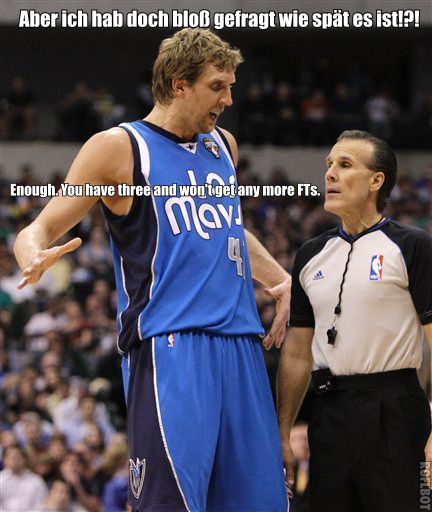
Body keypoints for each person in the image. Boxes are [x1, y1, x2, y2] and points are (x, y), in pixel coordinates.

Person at [14, 28, 291, 511]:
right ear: (179, 85)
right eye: (217, 87)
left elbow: (227, 230)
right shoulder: (119, 147)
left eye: (230, 86)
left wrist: (280, 279)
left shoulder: (223, 145)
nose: (228, 99)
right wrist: (32, 254)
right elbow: (40, 227)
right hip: (172, 349)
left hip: (241, 345)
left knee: (260, 503)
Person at [278, 129, 432, 512]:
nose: (330, 173)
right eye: (329, 164)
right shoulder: (309, 255)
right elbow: (296, 353)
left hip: (395, 406)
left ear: (376, 181)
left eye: (345, 165)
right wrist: (282, 432)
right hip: (329, 409)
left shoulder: (412, 246)